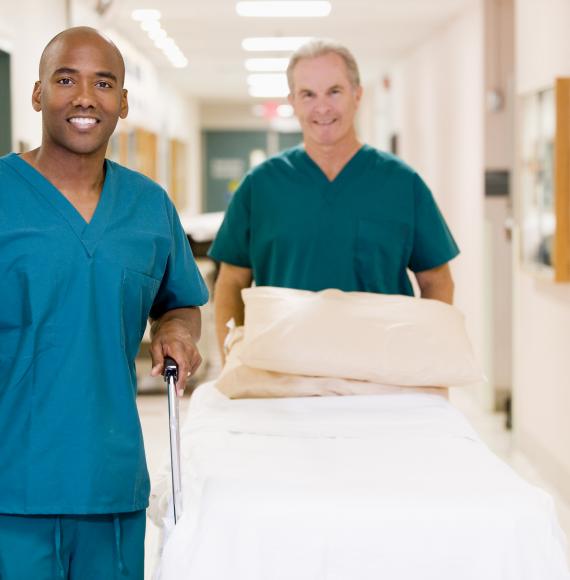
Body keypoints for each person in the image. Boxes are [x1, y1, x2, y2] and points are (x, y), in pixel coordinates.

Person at [0, 27, 208, 579]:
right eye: (66, 79)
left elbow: (181, 301)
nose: (85, 96)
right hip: (10, 483)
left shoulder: (148, 207)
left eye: (104, 82)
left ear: (122, 102)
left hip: (110, 482)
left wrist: (179, 332)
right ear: (38, 93)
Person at [209, 39, 459, 355]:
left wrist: (425, 355)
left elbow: (437, 279)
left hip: (384, 370)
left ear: (358, 94)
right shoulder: (260, 186)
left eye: (334, 92)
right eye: (308, 95)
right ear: (293, 102)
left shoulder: (402, 184)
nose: (322, 107)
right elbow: (231, 281)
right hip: (283, 368)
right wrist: (233, 357)